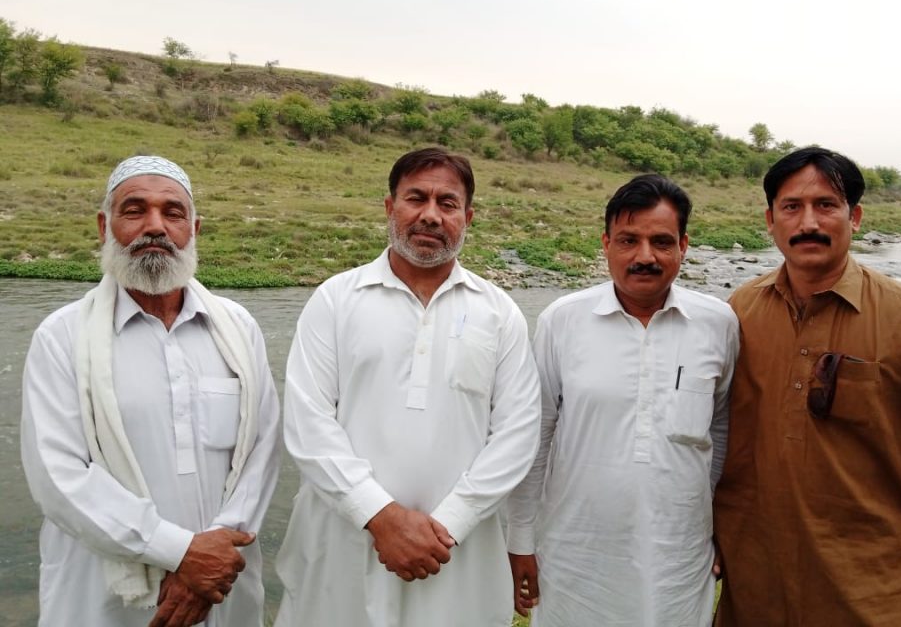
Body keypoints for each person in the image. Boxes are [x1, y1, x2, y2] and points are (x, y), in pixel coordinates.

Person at [713, 147, 901, 627]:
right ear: (770, 220)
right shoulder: (738, 312)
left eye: (826, 205)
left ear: (856, 216)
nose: (808, 221)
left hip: (875, 591)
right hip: (755, 587)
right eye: (792, 207)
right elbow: (718, 434)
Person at [274, 147, 541, 627]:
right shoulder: (336, 299)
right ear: (389, 207)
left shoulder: (499, 312)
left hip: (456, 550)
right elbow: (308, 423)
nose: (431, 216)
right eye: (416, 198)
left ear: (468, 216)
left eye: (447, 203)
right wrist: (378, 515)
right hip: (345, 540)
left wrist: (450, 525)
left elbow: (518, 434)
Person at [21, 155, 281, 627]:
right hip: (102, 596)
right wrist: (180, 553)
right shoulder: (62, 336)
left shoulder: (238, 328)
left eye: (173, 212)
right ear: (105, 226)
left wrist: (212, 557)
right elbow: (58, 478)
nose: (155, 226)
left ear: (194, 228)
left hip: (222, 582)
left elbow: (261, 453)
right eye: (135, 210)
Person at [507, 174, 738, 626]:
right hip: (576, 548)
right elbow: (536, 434)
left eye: (661, 242)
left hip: (680, 552)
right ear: (606, 243)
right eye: (629, 240)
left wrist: (717, 526)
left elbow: (722, 430)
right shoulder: (563, 321)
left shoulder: (718, 323)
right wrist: (520, 536)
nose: (645, 257)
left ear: (684, 245)